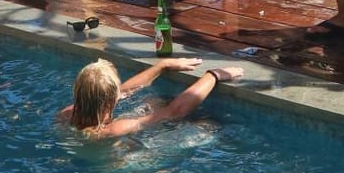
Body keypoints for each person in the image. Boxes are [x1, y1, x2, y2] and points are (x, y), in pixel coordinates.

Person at [58, 56, 244, 138]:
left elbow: (122, 91)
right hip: (119, 166)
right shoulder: (115, 129)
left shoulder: (67, 114)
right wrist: (213, 75)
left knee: (153, 102)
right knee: (207, 127)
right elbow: (174, 112)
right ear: (109, 100)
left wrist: (161, 66)